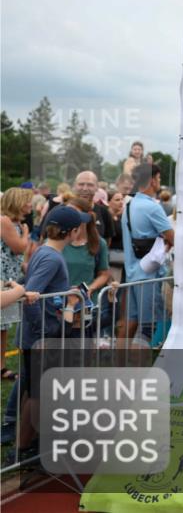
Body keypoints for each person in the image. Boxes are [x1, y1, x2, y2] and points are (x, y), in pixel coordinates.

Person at [7, 206, 88, 454]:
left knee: (33, 390)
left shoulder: (45, 251)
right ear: (72, 232)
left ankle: (24, 443)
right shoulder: (52, 257)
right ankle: (21, 449)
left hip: (37, 335)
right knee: (37, 394)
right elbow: (30, 295)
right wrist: (45, 331)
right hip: (40, 337)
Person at [121, 164, 174, 340]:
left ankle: (118, 366)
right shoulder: (152, 207)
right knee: (146, 331)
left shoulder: (129, 205)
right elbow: (173, 237)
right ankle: (141, 368)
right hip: (149, 276)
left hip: (131, 274)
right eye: (158, 179)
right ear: (152, 180)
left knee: (129, 324)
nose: (159, 182)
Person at [63, 196, 111, 336]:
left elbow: (104, 273)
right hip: (60, 304)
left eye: (73, 212)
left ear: (87, 217)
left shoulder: (98, 243)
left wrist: (90, 289)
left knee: (83, 345)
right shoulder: (58, 241)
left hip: (86, 305)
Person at [1, 188, 33, 380]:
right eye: (27, 200)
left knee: (2, 326)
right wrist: (27, 234)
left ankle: (1, 366)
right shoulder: (4, 221)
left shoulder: (16, 223)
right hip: (2, 278)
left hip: (9, 279)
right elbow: (19, 247)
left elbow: (17, 255)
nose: (30, 204)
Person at [73, 171, 116, 245]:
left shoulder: (104, 212)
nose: (85, 188)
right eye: (81, 184)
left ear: (96, 188)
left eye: (90, 185)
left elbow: (107, 242)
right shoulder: (61, 211)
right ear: (74, 186)